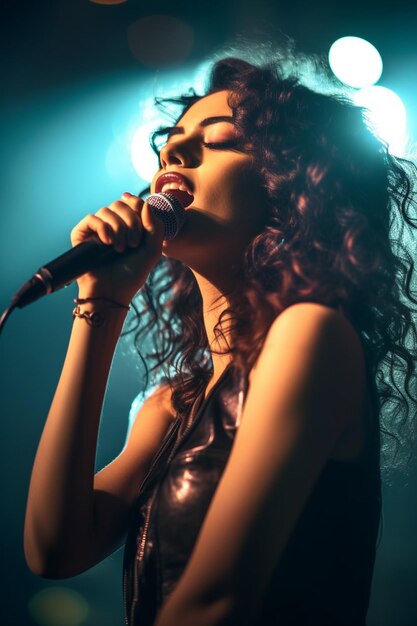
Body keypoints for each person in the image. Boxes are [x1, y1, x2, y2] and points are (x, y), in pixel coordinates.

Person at [24, 56, 417, 626]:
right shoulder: (172, 405)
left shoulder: (313, 335)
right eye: (173, 142)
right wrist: (101, 305)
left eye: (221, 141)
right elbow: (56, 550)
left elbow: (215, 602)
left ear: (292, 186)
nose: (173, 156)